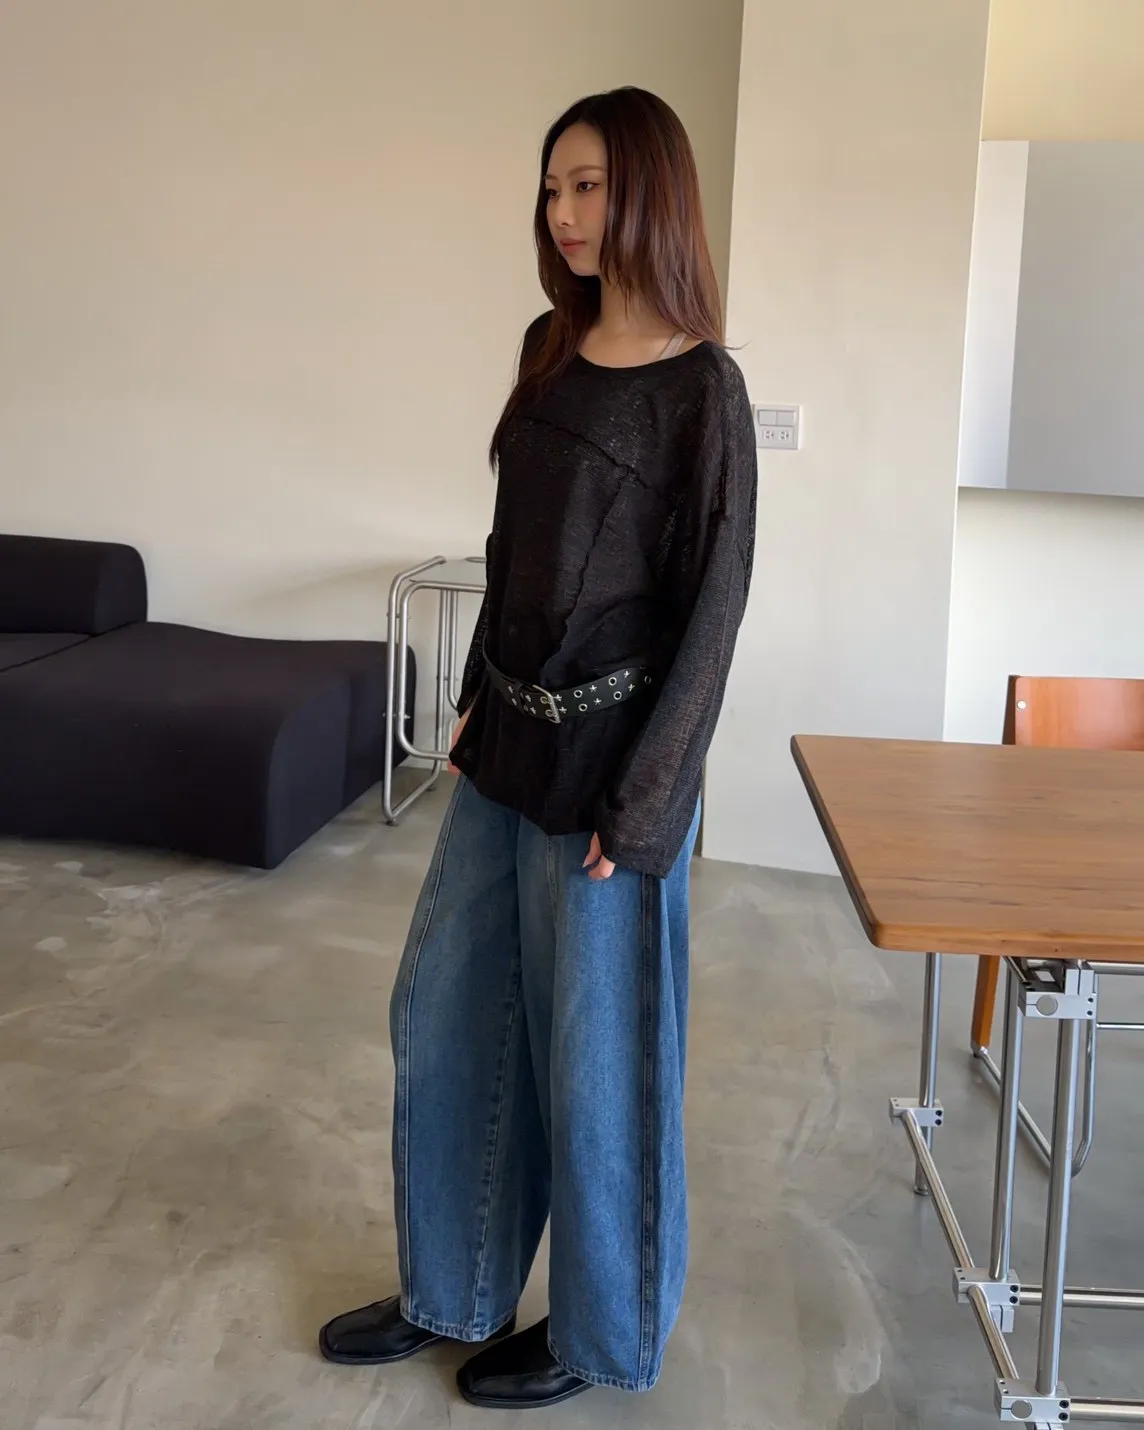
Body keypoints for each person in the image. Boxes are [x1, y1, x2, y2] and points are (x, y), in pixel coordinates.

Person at [318, 85, 757, 1410]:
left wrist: (651, 800)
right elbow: (511, 547)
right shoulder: (548, 347)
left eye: (589, 185)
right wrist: (468, 697)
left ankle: (600, 1335)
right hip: (507, 742)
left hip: (613, 777)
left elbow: (713, 609)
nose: (563, 213)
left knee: (600, 1065)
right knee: (447, 1007)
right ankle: (451, 1287)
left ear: (649, 191)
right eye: (553, 187)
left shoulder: (701, 390)